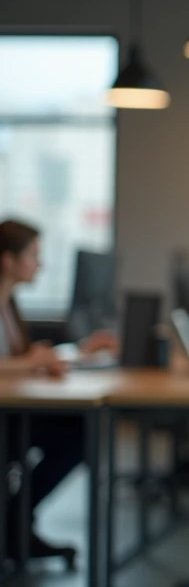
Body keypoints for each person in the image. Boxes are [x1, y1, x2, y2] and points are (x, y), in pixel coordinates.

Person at [0, 219, 89, 562]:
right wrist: (29, 363)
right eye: (33, 255)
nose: (40, 264)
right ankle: (15, 524)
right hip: (6, 416)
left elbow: (20, 358)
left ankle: (16, 523)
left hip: (13, 408)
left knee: (77, 431)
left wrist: (81, 349)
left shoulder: (10, 304)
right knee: (74, 436)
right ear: (7, 261)